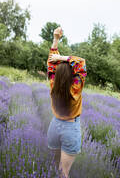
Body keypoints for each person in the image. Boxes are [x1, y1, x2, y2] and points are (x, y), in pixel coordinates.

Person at [47, 27, 87, 178]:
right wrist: (63, 58)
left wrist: (56, 39)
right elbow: (81, 63)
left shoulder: (53, 84)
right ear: (72, 75)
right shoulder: (75, 88)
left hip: (54, 126)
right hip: (70, 129)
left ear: (56, 75)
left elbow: (51, 63)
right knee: (63, 173)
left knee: (54, 168)